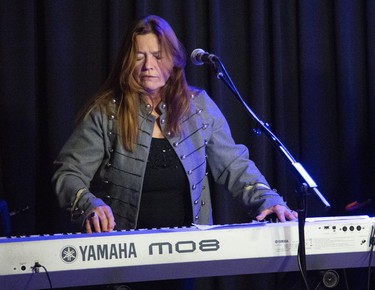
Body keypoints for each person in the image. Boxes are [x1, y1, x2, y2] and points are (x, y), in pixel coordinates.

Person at [52, 15, 297, 289]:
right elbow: (69, 173)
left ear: (174, 61)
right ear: (127, 62)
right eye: (139, 56)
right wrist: (89, 204)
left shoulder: (199, 107)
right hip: (120, 262)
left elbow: (235, 166)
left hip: (183, 262)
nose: (148, 66)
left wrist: (267, 198)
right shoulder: (106, 112)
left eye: (157, 55)